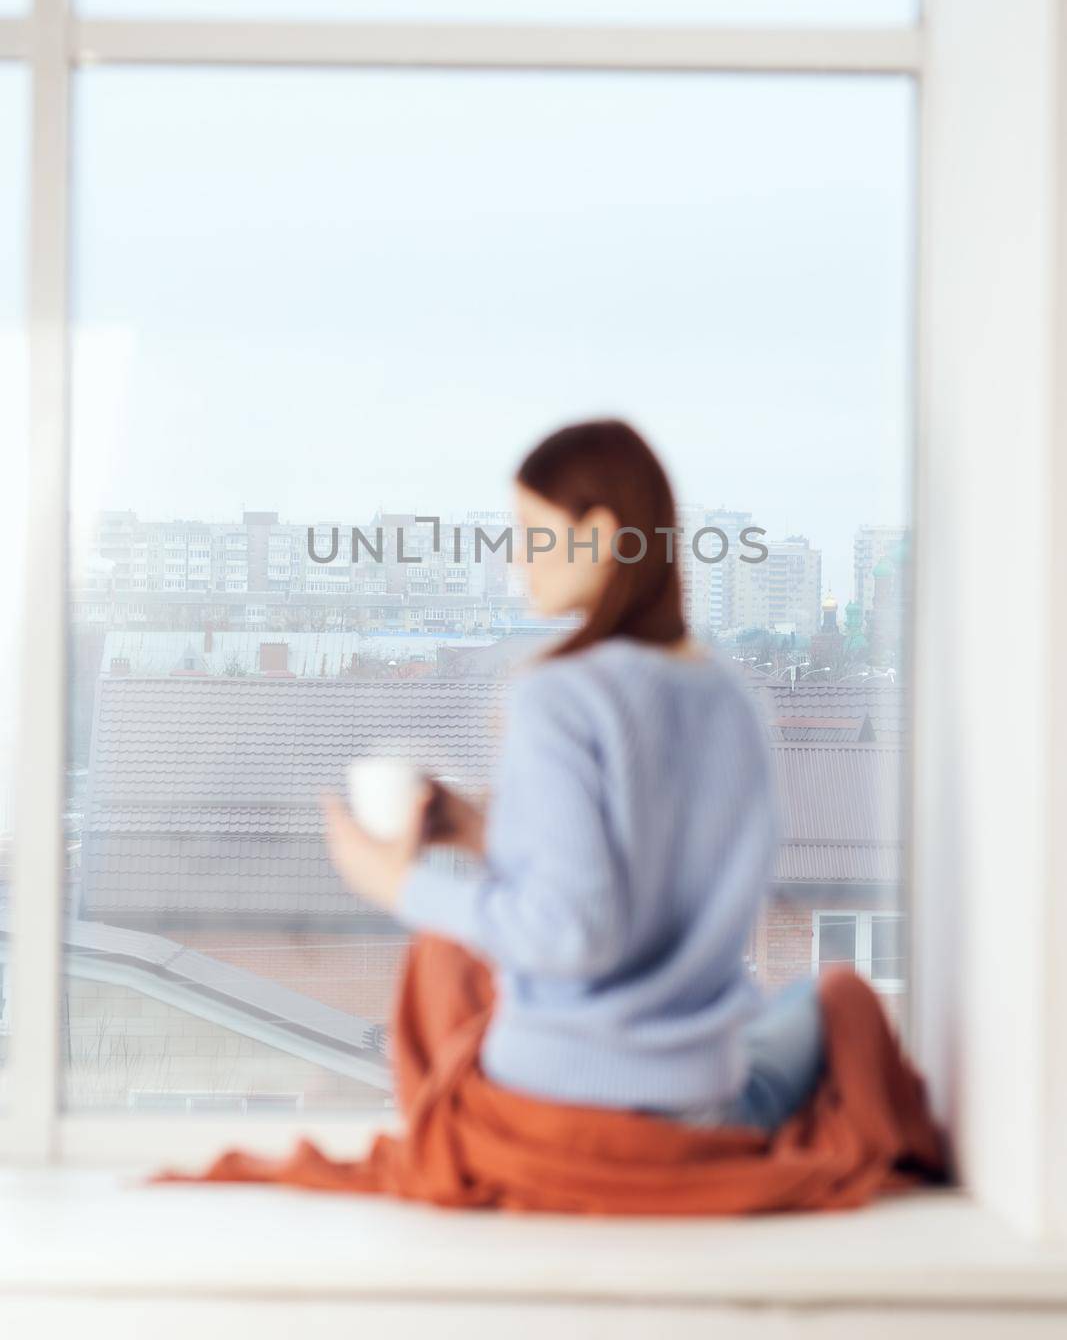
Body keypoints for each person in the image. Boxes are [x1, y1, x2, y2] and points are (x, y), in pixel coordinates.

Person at [322, 419, 823, 1131]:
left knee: (441, 962)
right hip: (704, 1092)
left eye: (529, 532)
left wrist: (397, 884)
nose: (515, 561)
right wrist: (481, 831)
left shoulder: (555, 696)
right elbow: (655, 880)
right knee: (824, 1007)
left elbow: (572, 934)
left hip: (561, 1094)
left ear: (597, 531)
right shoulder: (731, 700)